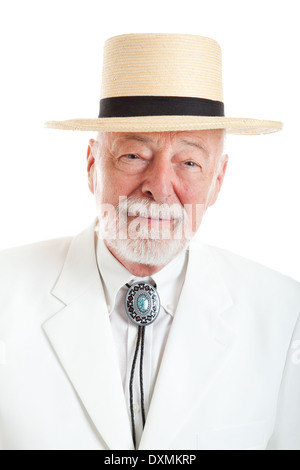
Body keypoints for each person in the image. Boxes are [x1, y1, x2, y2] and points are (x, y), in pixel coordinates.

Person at [0, 33, 299, 451]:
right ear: (91, 166)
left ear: (218, 181)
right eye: (134, 155)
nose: (159, 188)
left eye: (189, 162)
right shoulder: (4, 293)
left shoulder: (284, 310)